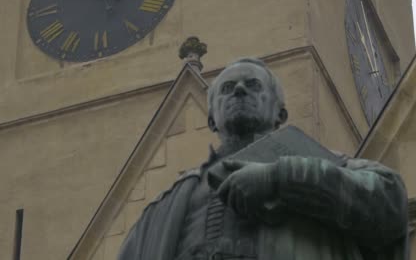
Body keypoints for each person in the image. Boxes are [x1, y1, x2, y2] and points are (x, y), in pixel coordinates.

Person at [118, 58, 408, 260]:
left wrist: (279, 179)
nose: (240, 90)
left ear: (280, 114)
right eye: (227, 89)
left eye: (253, 85)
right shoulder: (162, 210)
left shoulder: (330, 165)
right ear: (211, 120)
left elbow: (391, 204)